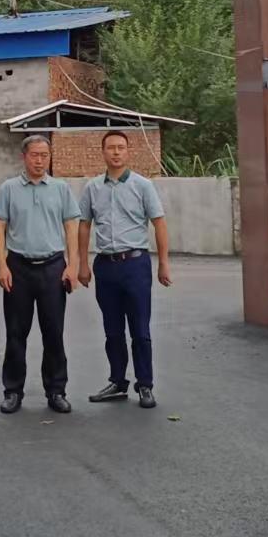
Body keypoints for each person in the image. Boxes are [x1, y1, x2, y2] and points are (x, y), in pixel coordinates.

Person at [76, 130, 172, 410]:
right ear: (103, 152)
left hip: (135, 265)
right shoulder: (93, 188)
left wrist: (164, 263)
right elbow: (84, 225)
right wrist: (83, 264)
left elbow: (159, 223)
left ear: (128, 152)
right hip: (105, 266)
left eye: (121, 147)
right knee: (113, 330)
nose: (116, 152)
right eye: (111, 148)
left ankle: (145, 384)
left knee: (140, 329)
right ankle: (118, 382)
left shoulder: (143, 186)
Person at [0, 134, 81, 415]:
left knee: (54, 332)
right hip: (18, 267)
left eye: (44, 155)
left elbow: (71, 227)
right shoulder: (9, 188)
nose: (40, 160)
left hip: (53, 267)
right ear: (24, 157)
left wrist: (73, 265)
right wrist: (2, 265)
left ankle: (56, 391)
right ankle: (13, 391)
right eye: (35, 155)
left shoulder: (61, 188)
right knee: (16, 332)